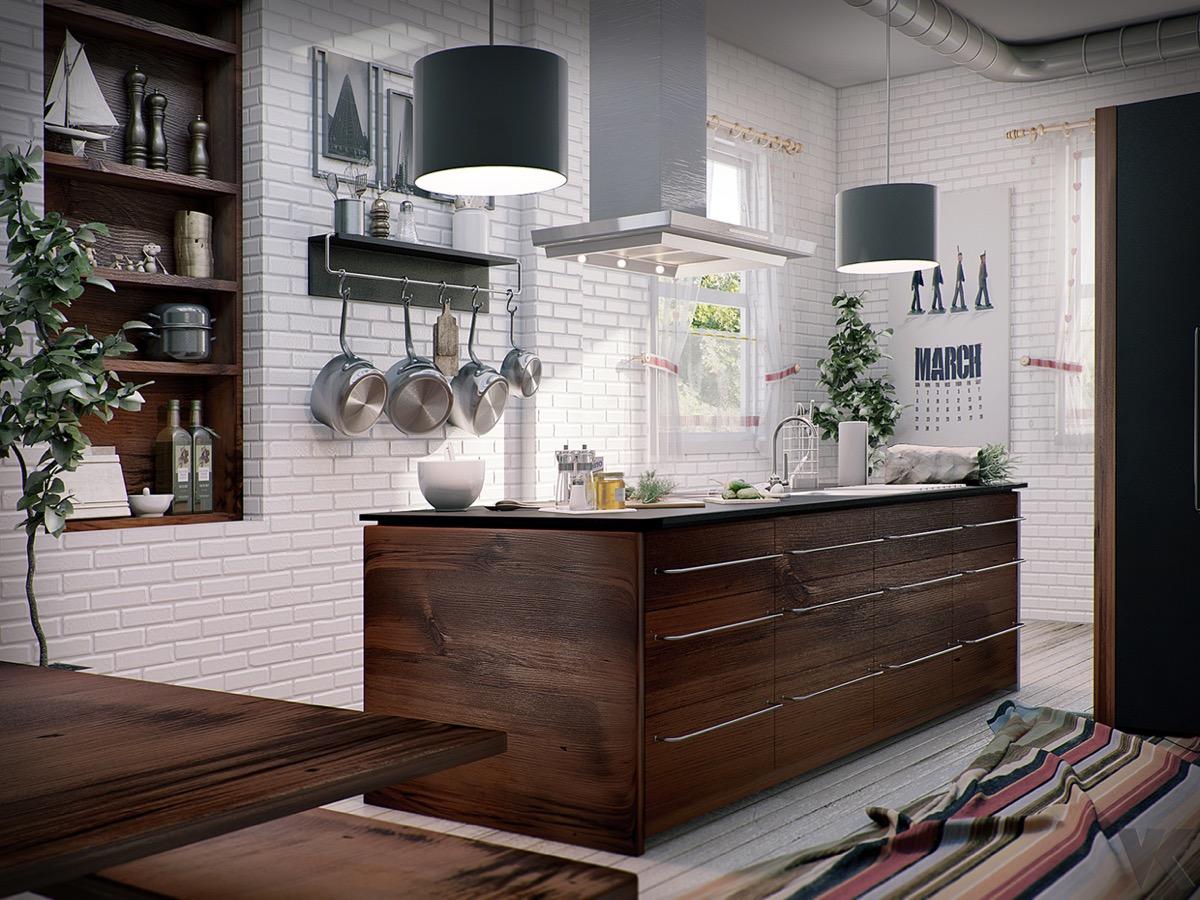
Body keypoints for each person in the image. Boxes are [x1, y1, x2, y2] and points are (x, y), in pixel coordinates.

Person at [950, 246, 968, 312]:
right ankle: (962, 305)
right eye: (959, 257)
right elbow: (958, 273)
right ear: (958, 258)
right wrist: (958, 282)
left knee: (957, 293)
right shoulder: (959, 265)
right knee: (961, 293)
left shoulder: (960, 264)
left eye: (961, 257)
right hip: (958, 281)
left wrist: (963, 278)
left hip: (959, 281)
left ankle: (953, 304)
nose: (961, 258)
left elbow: (961, 273)